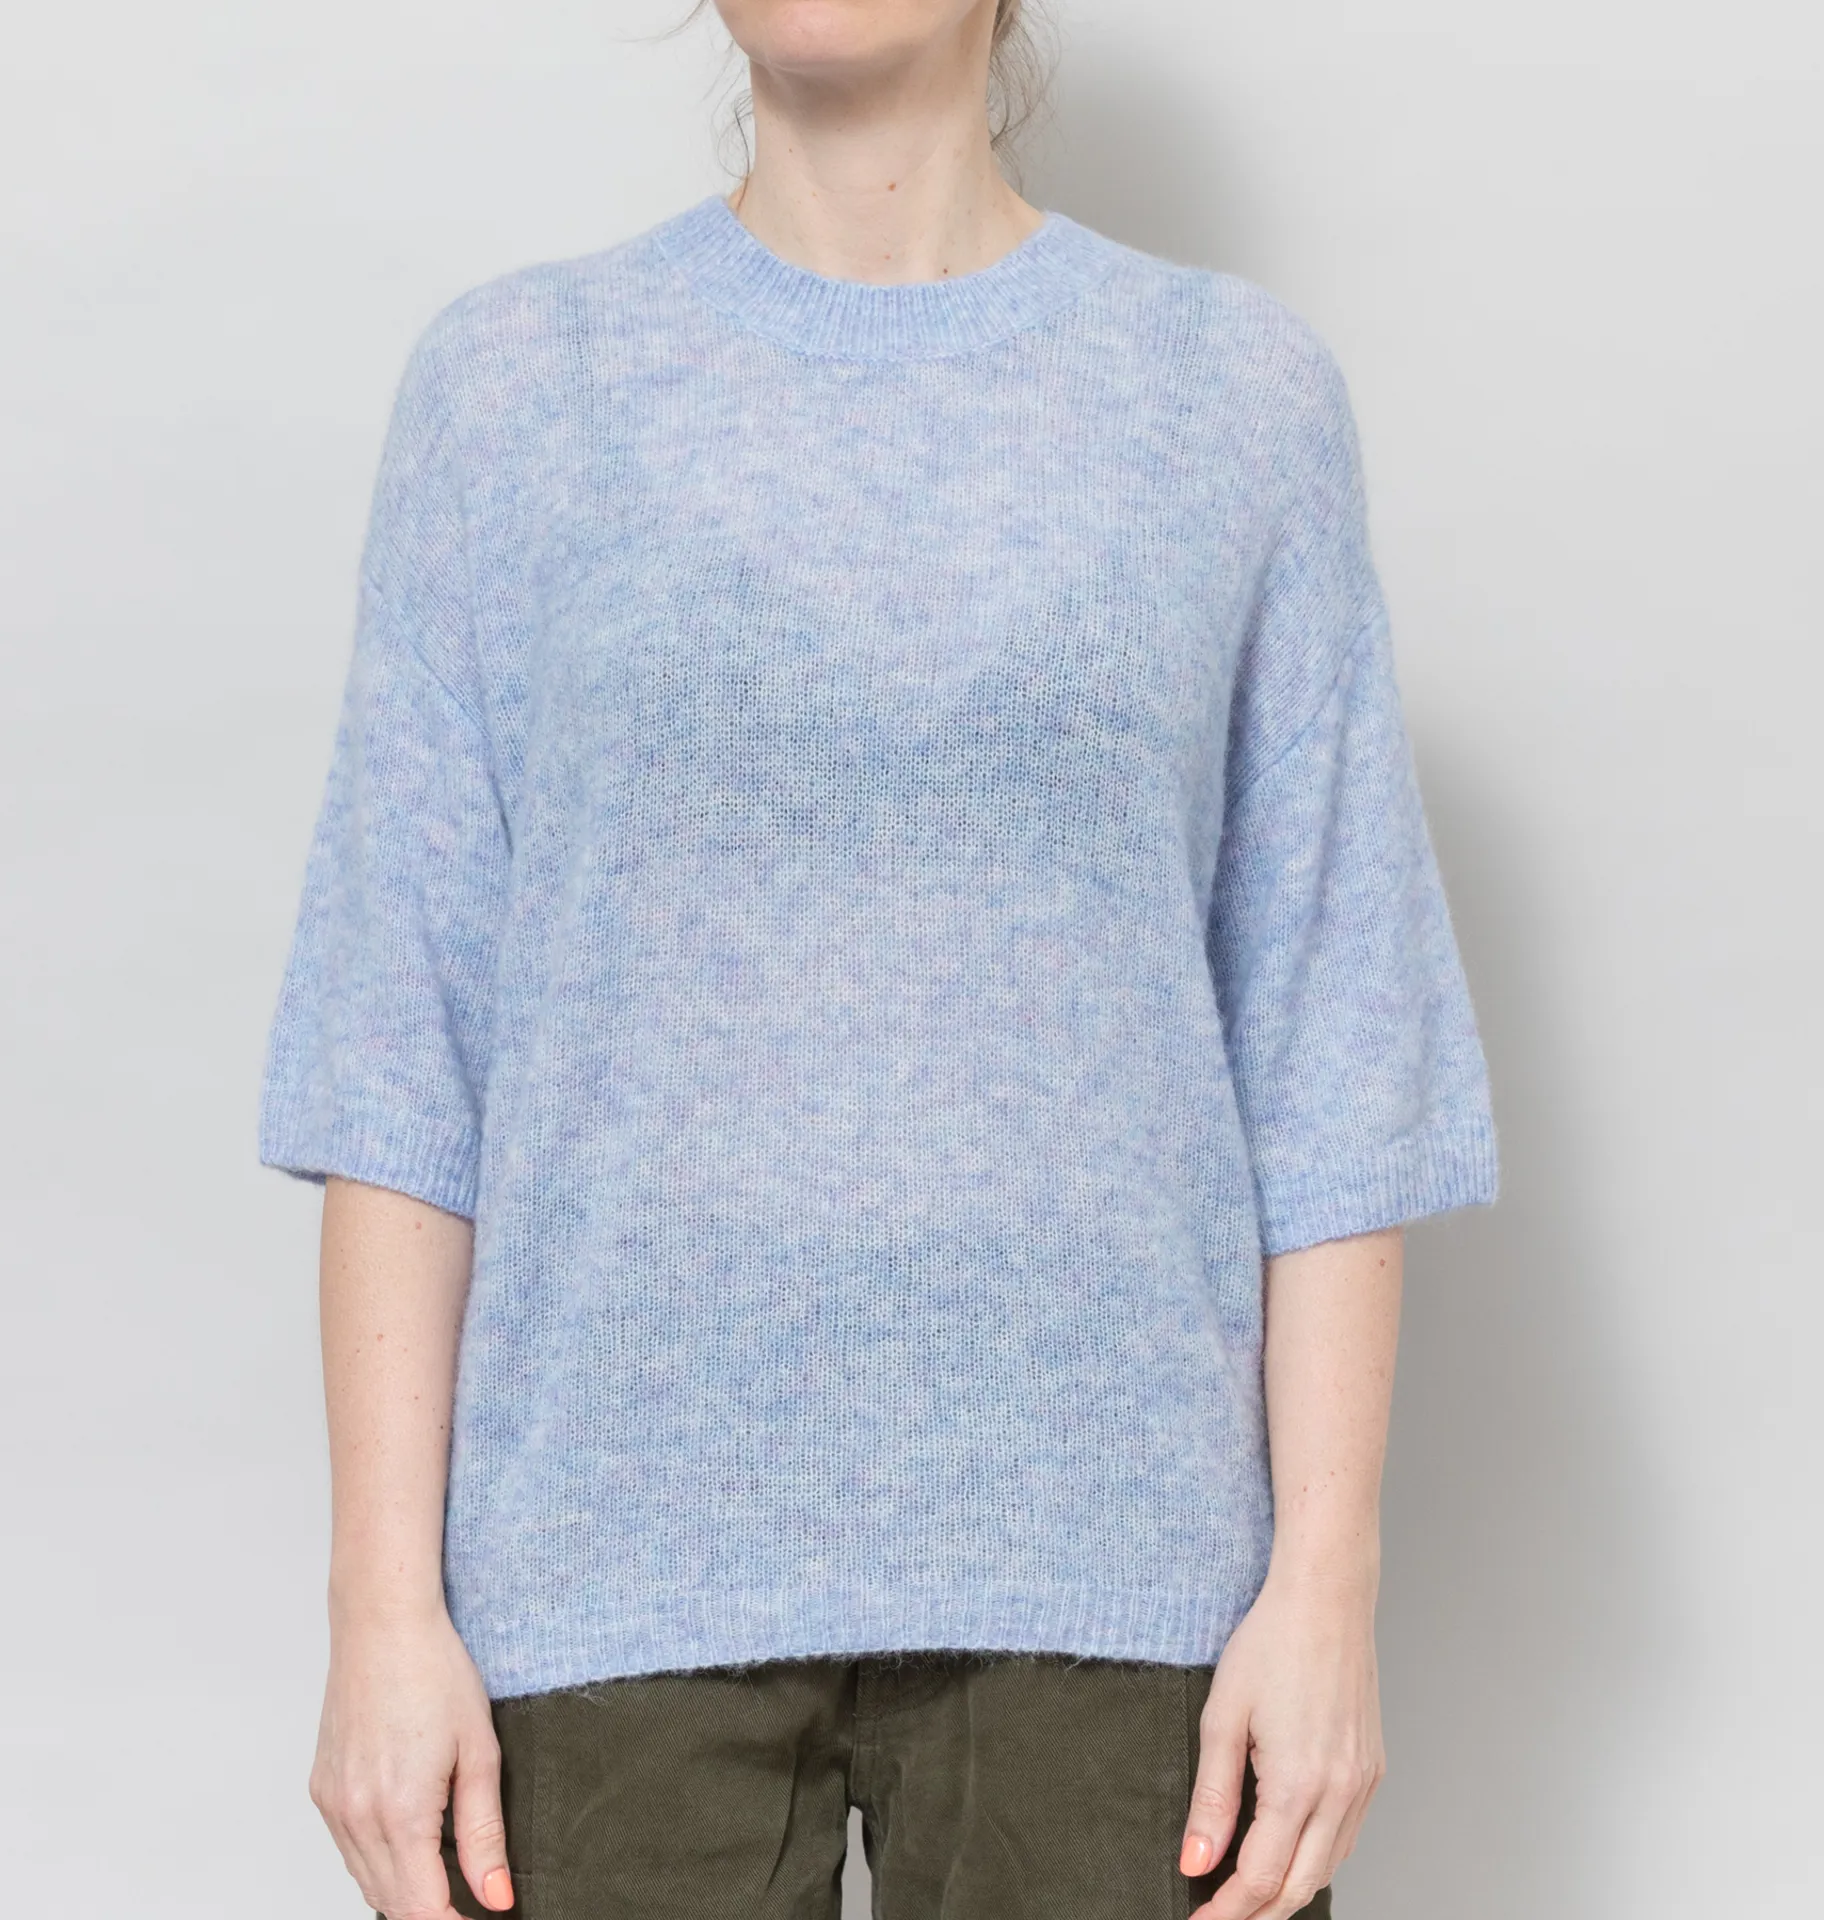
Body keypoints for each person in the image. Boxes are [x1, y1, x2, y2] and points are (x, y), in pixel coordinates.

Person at [258, 2, 1498, 1915]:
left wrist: (1327, 1588)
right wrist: (381, 1615)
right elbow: (398, 1042)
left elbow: (1336, 1032)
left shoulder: (1232, 396)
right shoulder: (511, 390)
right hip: (601, 1578)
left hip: (1120, 1582)